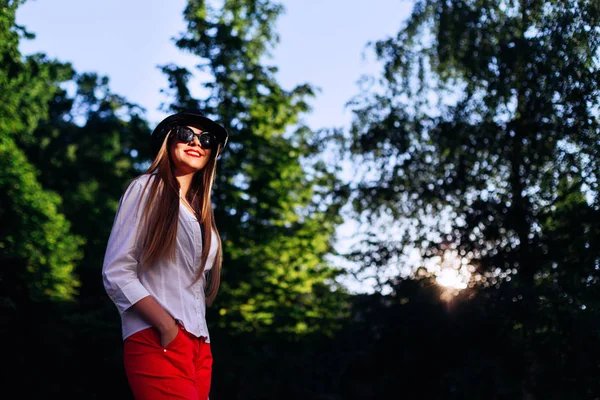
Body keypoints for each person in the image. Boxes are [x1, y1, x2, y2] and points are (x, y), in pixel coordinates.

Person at [102, 109, 228, 400]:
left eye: (206, 139)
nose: (197, 142)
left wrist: (195, 344)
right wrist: (165, 325)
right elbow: (116, 272)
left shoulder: (200, 214)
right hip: (156, 337)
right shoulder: (147, 188)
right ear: (169, 141)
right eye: (186, 134)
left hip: (200, 347)